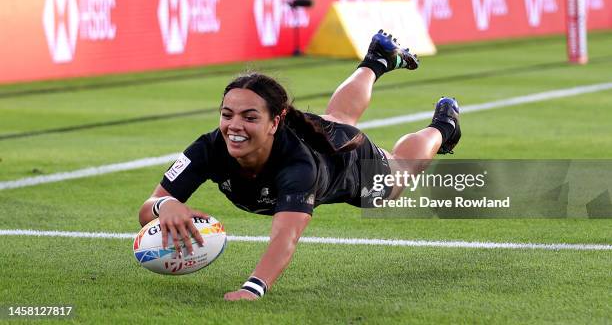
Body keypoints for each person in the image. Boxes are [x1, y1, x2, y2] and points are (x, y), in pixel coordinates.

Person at [138, 30, 461, 301]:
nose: (234, 126)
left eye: (250, 117)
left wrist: (253, 288)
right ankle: (377, 58)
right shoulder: (208, 148)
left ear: (274, 122)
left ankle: (444, 127)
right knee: (338, 118)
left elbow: (285, 237)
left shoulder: (298, 167)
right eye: (227, 114)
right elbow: (147, 209)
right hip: (315, 132)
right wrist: (165, 206)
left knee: (400, 172)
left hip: (342, 160)